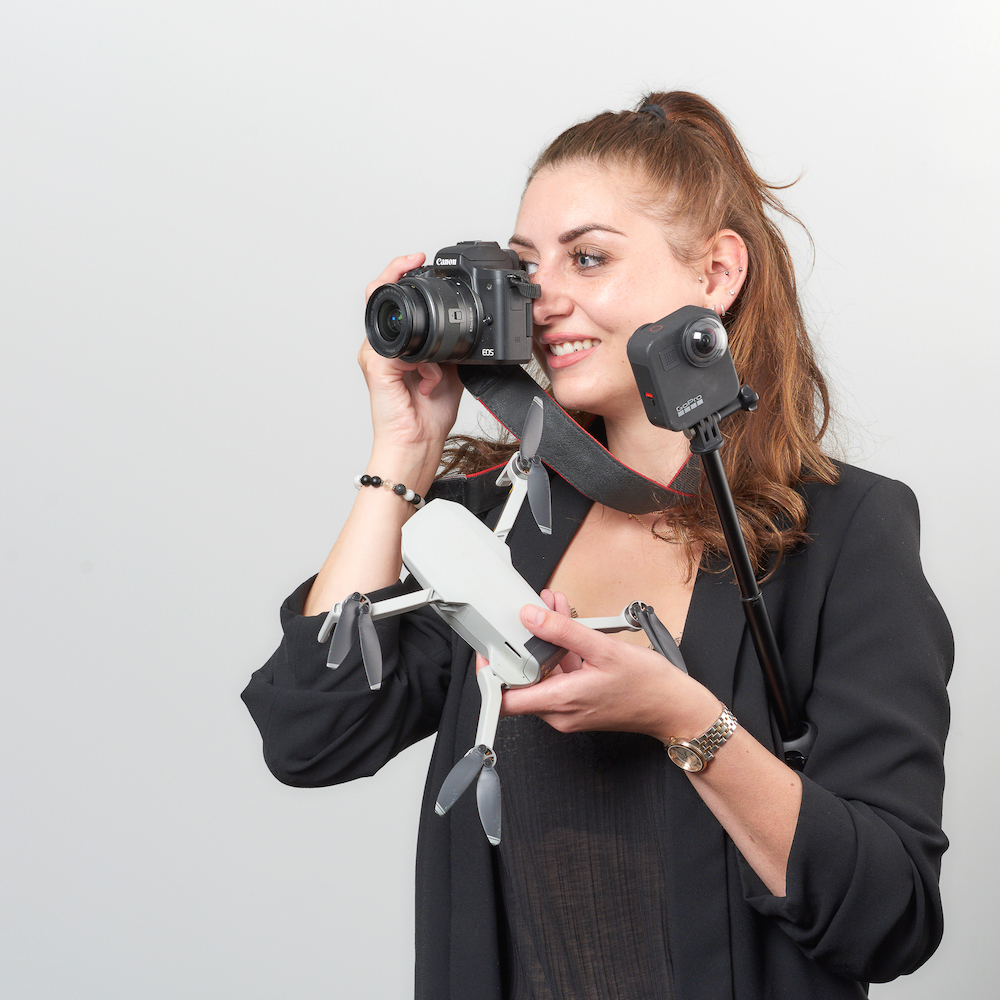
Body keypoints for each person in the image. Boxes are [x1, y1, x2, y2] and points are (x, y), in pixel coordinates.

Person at [242, 92, 951, 999]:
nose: (545, 301)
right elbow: (309, 734)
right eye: (526, 269)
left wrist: (686, 720)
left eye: (589, 257)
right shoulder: (498, 520)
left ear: (717, 272)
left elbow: (888, 916)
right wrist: (402, 454)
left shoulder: (844, 532)